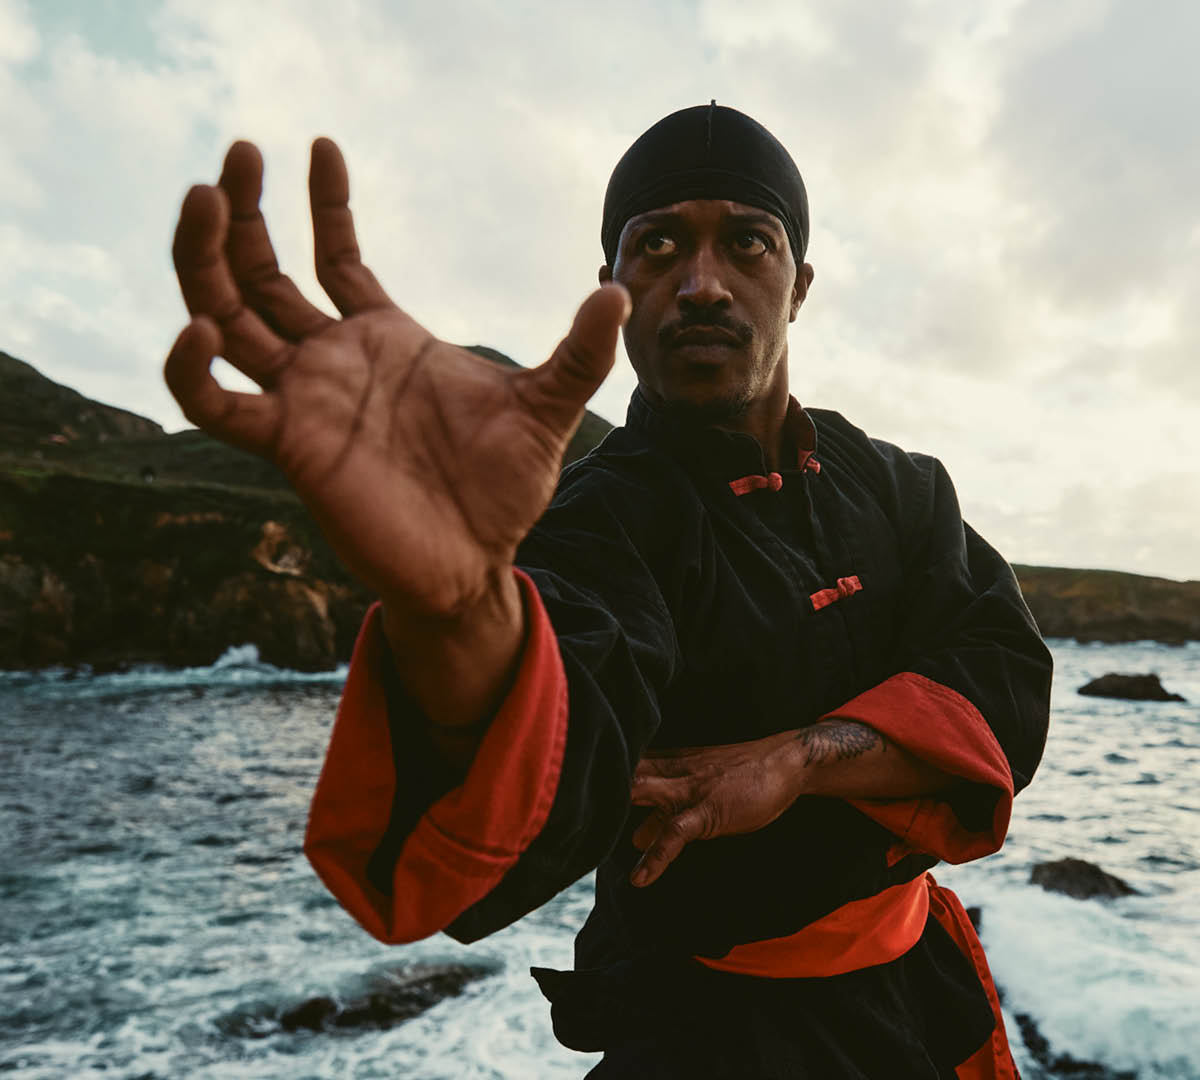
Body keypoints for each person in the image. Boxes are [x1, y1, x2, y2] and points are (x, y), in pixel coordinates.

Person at [166, 104, 1052, 1078]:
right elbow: (560, 748)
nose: (701, 282)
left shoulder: (899, 486)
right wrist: (461, 611)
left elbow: (1005, 679)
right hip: (710, 1039)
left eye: (747, 242)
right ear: (613, 285)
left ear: (798, 283)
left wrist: (801, 759)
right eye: (659, 243)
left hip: (925, 1001)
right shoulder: (605, 515)